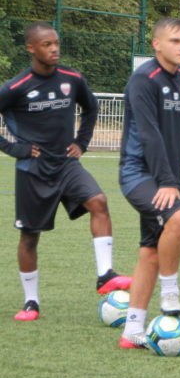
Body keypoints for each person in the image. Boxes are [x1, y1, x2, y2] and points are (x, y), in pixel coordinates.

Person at [0, 22, 131, 321]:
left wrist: (81, 143)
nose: (54, 48)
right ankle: (31, 302)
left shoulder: (72, 78)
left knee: (99, 201)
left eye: (56, 42)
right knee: (30, 236)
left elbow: (91, 107)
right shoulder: (15, 87)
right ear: (31, 48)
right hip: (32, 170)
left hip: (66, 164)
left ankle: (104, 275)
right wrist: (14, 149)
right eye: (46, 44)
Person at [117, 17, 180, 349]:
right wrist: (166, 180)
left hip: (168, 176)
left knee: (150, 250)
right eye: (176, 41)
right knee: (178, 217)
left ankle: (132, 330)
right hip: (139, 174)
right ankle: (170, 292)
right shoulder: (143, 80)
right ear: (157, 44)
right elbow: (149, 134)